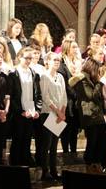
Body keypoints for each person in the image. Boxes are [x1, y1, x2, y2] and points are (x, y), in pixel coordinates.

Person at [69, 57, 106, 173]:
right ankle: (89, 165)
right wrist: (100, 83)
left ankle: (97, 164)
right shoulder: (82, 80)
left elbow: (100, 99)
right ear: (92, 68)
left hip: (99, 116)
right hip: (89, 116)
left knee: (101, 142)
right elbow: (91, 96)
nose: (98, 73)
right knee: (92, 142)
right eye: (97, 70)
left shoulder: (93, 80)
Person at [8, 47, 42, 167]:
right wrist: (20, 111)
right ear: (19, 57)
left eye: (30, 58)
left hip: (30, 112)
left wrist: (37, 110)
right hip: (18, 113)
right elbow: (11, 96)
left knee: (27, 140)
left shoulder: (33, 73)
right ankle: (16, 166)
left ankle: (25, 164)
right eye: (26, 58)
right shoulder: (13, 73)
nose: (28, 60)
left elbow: (38, 94)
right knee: (17, 140)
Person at [39, 52, 67, 180]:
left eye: (58, 60)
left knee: (55, 144)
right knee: (47, 144)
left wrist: (63, 111)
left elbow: (64, 96)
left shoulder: (60, 76)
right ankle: (45, 171)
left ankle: (54, 170)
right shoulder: (44, 76)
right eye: (54, 60)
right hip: (48, 113)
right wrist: (57, 111)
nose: (57, 62)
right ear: (47, 61)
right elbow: (45, 97)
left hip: (59, 114)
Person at [58, 39, 81, 158]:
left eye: (76, 47)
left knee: (74, 129)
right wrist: (75, 94)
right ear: (67, 48)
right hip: (66, 101)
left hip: (76, 102)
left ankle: (74, 152)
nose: (76, 50)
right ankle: (66, 153)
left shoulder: (77, 63)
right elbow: (64, 84)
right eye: (74, 47)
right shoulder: (62, 64)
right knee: (65, 129)